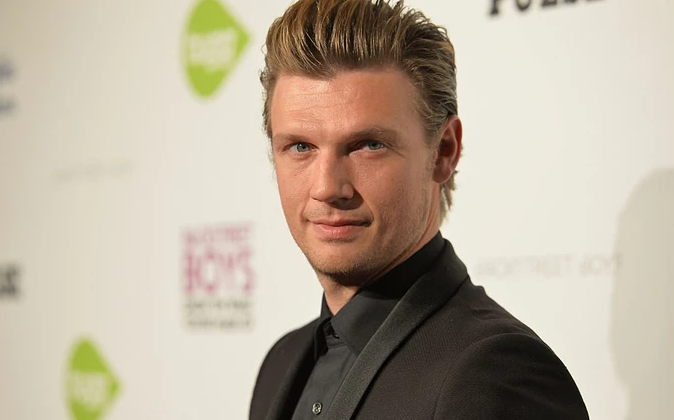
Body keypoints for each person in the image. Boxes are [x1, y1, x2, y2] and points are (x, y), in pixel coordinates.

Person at [249, 0, 590, 419]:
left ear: (444, 151)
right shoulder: (280, 364)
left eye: (369, 145)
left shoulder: (497, 374)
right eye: (300, 146)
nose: (327, 188)